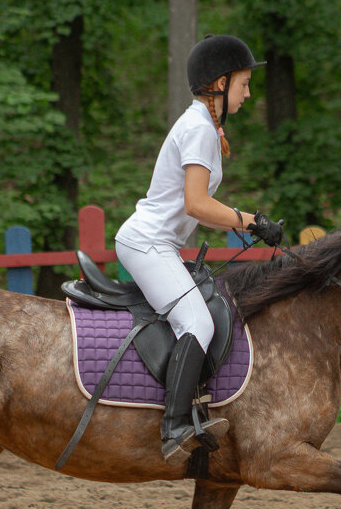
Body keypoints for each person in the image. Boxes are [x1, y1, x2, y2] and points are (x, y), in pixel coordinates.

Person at [114, 34, 285, 461]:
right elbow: (196, 204)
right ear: (221, 84)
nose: (249, 93)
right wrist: (251, 221)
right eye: (244, 84)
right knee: (198, 321)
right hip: (148, 243)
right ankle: (173, 426)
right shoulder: (198, 129)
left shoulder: (202, 125)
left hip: (159, 244)